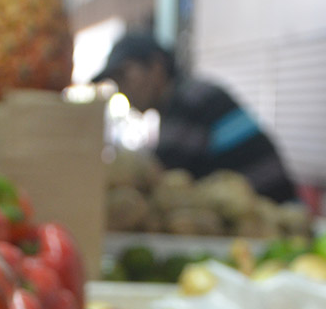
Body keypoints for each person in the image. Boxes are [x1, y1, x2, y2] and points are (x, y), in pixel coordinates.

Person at [93, 31, 301, 204]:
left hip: (275, 224)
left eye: (123, 75)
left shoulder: (189, 100)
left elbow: (160, 180)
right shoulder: (190, 96)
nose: (121, 89)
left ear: (156, 68)